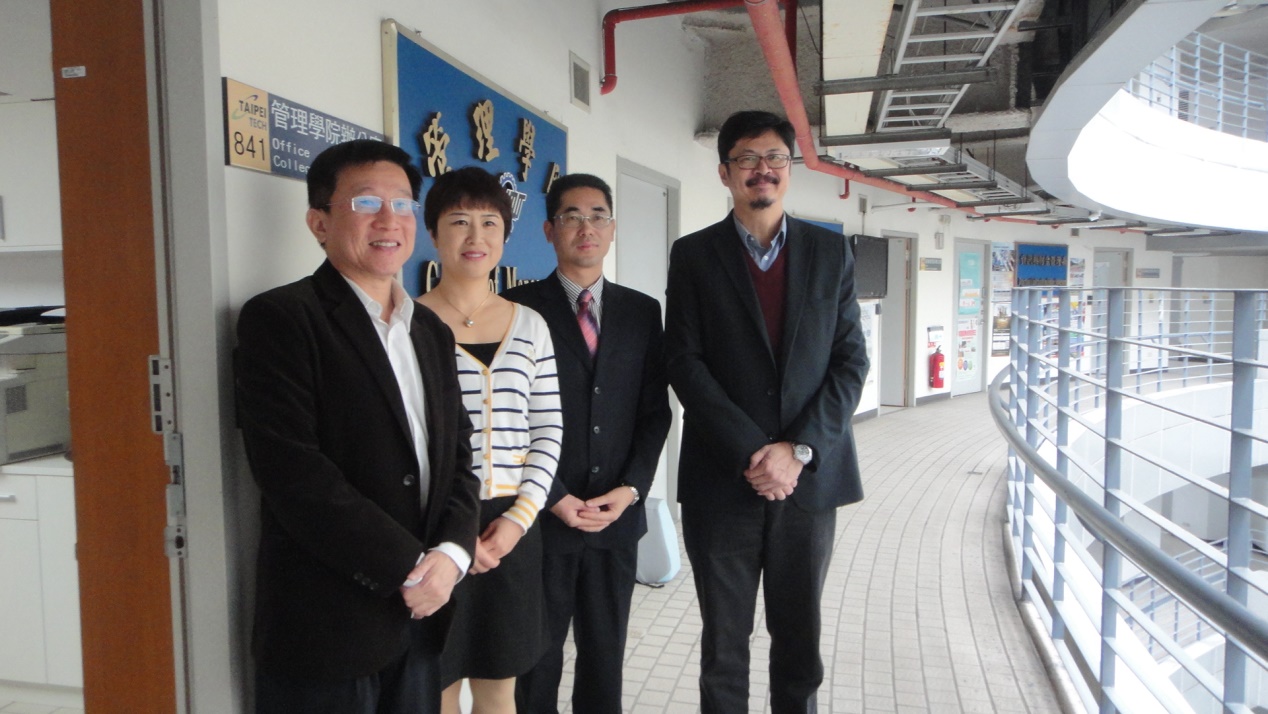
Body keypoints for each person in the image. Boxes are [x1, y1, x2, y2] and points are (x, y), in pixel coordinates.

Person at [235, 139, 481, 714]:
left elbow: (459, 456)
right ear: (319, 222)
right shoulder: (281, 319)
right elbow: (293, 473)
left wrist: (452, 554)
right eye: (366, 202)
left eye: (402, 204)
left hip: (421, 623)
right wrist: (410, 569)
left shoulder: (431, 331)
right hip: (328, 628)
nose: (389, 220)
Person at [664, 110, 870, 713]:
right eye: (748, 158)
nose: (763, 169)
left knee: (800, 647)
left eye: (775, 157)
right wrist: (756, 453)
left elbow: (850, 362)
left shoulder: (830, 253)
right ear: (725, 172)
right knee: (723, 650)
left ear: (789, 168)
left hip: (808, 486)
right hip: (722, 483)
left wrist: (798, 451)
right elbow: (684, 362)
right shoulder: (694, 255)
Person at [506, 174, 672, 713]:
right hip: (540, 518)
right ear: (549, 230)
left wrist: (631, 489)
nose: (586, 227)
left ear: (613, 228)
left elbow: (654, 413)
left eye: (598, 215)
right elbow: (508, 419)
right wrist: (551, 495)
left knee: (605, 660)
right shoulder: (516, 309)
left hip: (614, 518)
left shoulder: (642, 312)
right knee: (536, 662)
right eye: (572, 216)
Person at [414, 166, 563, 714]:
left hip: (511, 528)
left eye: (489, 223)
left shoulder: (530, 325)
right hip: (431, 525)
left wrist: (519, 519)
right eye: (459, 221)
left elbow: (548, 428)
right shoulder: (407, 323)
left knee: (500, 686)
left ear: (505, 234)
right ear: (433, 233)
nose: (475, 236)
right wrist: (449, 534)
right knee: (437, 684)